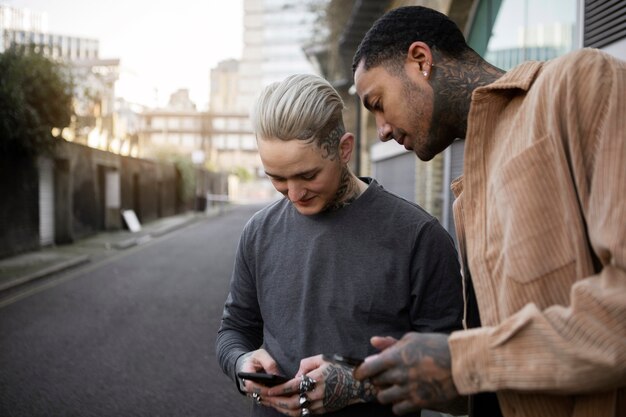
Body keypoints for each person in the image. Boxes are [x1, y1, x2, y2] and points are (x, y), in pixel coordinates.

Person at [351, 5, 626, 417]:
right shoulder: (469, 196)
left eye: (377, 103)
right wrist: (408, 374)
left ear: (420, 61)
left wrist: (462, 359)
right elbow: (501, 376)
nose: (383, 130)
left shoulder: (579, 84)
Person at [215, 74, 467, 417]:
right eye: (277, 178)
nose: (293, 194)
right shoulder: (258, 232)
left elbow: (456, 377)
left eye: (307, 175)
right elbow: (234, 331)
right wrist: (243, 363)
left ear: (344, 149)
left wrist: (360, 385)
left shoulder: (420, 238)